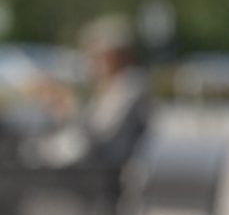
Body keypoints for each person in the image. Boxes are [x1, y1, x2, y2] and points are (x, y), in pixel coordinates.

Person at [24, 15, 151, 173]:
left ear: (116, 56)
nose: (93, 62)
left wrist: (68, 109)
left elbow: (98, 135)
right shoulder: (115, 86)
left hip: (98, 167)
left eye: (98, 56)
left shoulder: (128, 88)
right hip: (92, 160)